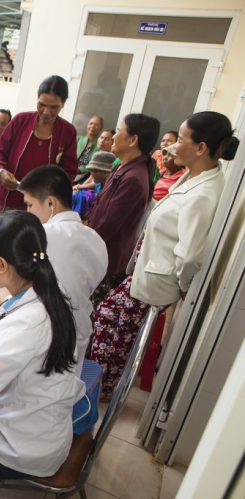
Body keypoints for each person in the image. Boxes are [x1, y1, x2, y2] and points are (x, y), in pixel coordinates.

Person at [91, 112, 238, 398]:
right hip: (145, 273)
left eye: (180, 140)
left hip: (157, 285)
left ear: (200, 148)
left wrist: (179, 289)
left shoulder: (204, 194)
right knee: (108, 319)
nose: (170, 147)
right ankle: (99, 385)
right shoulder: (193, 176)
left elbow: (190, 255)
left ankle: (102, 390)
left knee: (112, 330)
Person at [0, 211, 83, 479]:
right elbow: (0, 306)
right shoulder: (46, 285)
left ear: (2, 265)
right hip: (34, 424)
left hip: (22, 448)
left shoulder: (29, 323)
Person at [17, 166, 107, 382]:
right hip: (78, 336)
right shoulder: (95, 238)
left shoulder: (44, 235)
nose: (28, 213)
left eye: (30, 205)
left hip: (46, 349)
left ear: (50, 203)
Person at [85, 113, 160, 305]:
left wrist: (82, 245)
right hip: (95, 250)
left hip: (103, 258)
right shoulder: (121, 166)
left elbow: (108, 225)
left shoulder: (134, 178)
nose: (114, 136)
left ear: (133, 140)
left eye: (119, 131)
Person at [0, 75, 78, 224]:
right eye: (42, 104)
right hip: (10, 200)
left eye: (54, 107)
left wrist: (50, 190)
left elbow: (69, 172)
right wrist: (1, 172)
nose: (47, 112)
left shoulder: (67, 132)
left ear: (63, 103)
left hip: (42, 208)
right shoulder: (20, 121)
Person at [72, 151, 116, 218]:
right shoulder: (99, 183)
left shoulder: (111, 189)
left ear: (108, 172)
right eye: (91, 170)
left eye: (96, 171)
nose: (92, 174)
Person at [75, 115, 104, 179]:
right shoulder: (77, 140)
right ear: (87, 125)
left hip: (87, 176)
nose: (92, 126)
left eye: (96, 125)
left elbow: (94, 165)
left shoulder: (100, 145)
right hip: (71, 171)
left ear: (100, 129)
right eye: (91, 123)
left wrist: (79, 170)